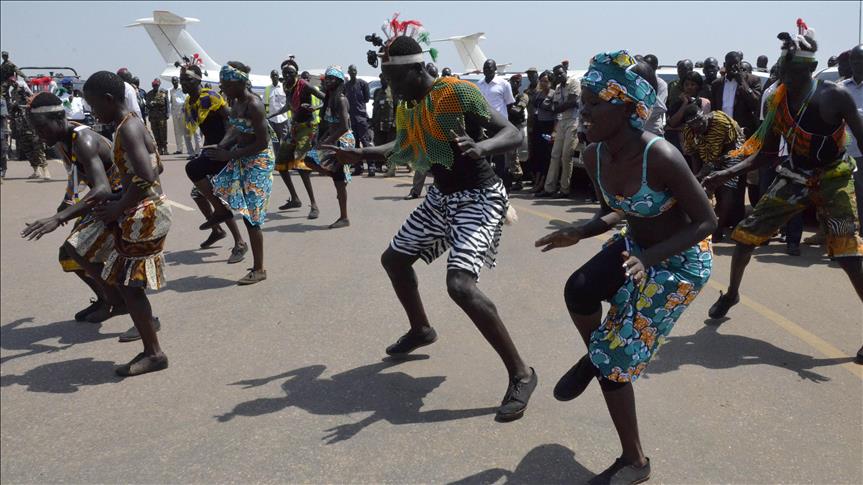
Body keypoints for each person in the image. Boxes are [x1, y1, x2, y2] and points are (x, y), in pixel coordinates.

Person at [331, 29, 537, 422]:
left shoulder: (455, 92)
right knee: (394, 260)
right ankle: (421, 329)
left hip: (479, 196)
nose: (389, 89)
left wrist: (483, 147)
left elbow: (511, 132)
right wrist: (359, 154)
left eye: (392, 81)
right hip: (442, 198)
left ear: (412, 72)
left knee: (460, 286)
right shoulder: (409, 105)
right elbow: (403, 145)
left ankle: (522, 374)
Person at [535, 51, 716, 484]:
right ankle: (599, 355)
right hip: (635, 245)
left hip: (680, 262)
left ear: (626, 109)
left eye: (596, 103)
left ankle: (635, 461)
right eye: (585, 102)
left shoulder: (662, 156)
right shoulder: (595, 155)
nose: (585, 111)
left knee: (616, 368)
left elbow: (709, 221)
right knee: (579, 288)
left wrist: (649, 259)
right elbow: (619, 211)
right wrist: (580, 231)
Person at [704, 23, 863, 364]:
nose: (782, 75)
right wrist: (725, 173)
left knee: (849, 256)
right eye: (781, 69)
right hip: (794, 176)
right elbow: (766, 154)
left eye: (789, 70)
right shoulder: (776, 100)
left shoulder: (835, 96)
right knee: (745, 237)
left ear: (807, 69)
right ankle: (731, 294)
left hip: (834, 178)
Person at [82, 70, 172, 376]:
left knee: (129, 285)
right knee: (125, 282)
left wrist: (119, 204)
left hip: (144, 214)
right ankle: (152, 349)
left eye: (93, 105)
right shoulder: (131, 122)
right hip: (143, 209)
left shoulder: (128, 128)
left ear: (108, 100)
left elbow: (147, 176)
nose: (93, 112)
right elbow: (152, 168)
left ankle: (154, 353)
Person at [20, 92, 129, 326]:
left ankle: (127, 306)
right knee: (69, 254)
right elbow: (76, 174)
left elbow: (100, 188)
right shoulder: (61, 140)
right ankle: (107, 298)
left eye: (41, 128)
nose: (39, 135)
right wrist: (68, 202)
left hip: (122, 201)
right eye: (35, 130)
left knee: (82, 250)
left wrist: (58, 218)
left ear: (60, 119)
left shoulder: (83, 140)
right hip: (104, 201)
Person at [203, 62, 274, 284]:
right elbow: (234, 129)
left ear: (238, 83)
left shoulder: (254, 105)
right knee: (210, 186)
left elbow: (262, 143)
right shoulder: (236, 102)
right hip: (241, 157)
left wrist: (230, 155)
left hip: (258, 161)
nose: (223, 89)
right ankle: (223, 212)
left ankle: (259, 269)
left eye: (225, 84)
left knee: (252, 217)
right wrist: (222, 146)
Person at [180, 63, 248, 263]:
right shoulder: (190, 102)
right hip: (211, 149)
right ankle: (217, 229)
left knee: (214, 193)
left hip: (224, 151)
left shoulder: (211, 97)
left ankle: (240, 242)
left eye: (188, 79)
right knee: (198, 193)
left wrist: (225, 148)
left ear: (199, 80)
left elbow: (232, 123)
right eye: (182, 79)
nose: (183, 83)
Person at [267, 58, 324, 218]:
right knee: (281, 163)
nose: (286, 75)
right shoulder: (286, 86)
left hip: (307, 128)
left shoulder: (304, 85)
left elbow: (325, 98)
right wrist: (274, 114)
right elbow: (289, 105)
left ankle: (314, 205)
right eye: (284, 73)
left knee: (300, 165)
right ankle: (295, 198)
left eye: (290, 72)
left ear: (296, 74)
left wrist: (316, 107)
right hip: (294, 127)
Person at [680, 104, 745, 241]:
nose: (698, 126)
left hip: (732, 153)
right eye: (693, 125)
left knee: (727, 189)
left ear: (704, 115)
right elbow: (694, 155)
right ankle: (704, 222)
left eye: (700, 122)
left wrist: (714, 166)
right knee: (701, 188)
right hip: (708, 156)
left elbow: (731, 149)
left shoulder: (721, 122)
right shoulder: (689, 131)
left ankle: (718, 228)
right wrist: (697, 176)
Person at [304, 66, 355, 228]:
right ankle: (338, 177)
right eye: (327, 78)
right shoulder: (330, 98)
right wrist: (322, 140)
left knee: (337, 179)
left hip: (342, 140)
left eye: (331, 79)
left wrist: (328, 142)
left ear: (339, 82)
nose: (328, 81)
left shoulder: (340, 99)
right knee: (310, 160)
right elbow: (331, 125)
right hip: (333, 138)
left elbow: (344, 126)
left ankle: (344, 217)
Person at [537, 64, 580, 198]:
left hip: (573, 120)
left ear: (565, 72)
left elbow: (572, 102)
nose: (559, 76)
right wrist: (559, 107)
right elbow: (555, 107)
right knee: (555, 154)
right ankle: (549, 188)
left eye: (561, 73)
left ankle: (564, 189)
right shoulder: (557, 87)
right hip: (562, 121)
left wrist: (558, 107)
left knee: (566, 156)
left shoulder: (574, 82)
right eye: (557, 74)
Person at [476, 59, 516, 189]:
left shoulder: (503, 84)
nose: (487, 70)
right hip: (484, 126)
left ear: (495, 69)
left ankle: (502, 187)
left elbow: (509, 104)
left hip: (499, 126)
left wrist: (503, 121)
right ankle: (487, 187)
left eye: (490, 68)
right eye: (485, 68)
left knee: (500, 159)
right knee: (485, 158)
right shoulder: (479, 84)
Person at [709, 51, 763, 138]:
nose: (732, 68)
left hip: (743, 133)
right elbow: (714, 110)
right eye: (730, 65)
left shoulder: (752, 80)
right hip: (722, 133)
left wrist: (742, 82)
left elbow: (756, 104)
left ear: (740, 65)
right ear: (724, 64)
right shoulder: (716, 84)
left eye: (735, 65)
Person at [840, 44, 863, 237]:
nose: (858, 64)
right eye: (854, 60)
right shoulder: (841, 89)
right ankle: (845, 241)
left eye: (861, 60)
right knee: (845, 199)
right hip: (845, 154)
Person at [9, 78, 50, 179]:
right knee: (27, 149)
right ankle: (36, 171)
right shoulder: (13, 92)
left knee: (38, 148)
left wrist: (23, 105)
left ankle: (46, 171)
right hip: (21, 124)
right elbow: (12, 106)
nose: (13, 84)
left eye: (14, 82)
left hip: (32, 126)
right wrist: (14, 107)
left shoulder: (27, 92)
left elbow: (33, 104)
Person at [344, 64, 372, 176]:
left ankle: (371, 167)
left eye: (354, 70)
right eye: (351, 70)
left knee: (366, 142)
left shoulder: (363, 84)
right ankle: (358, 167)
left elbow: (366, 99)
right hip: (351, 118)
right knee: (354, 144)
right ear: (348, 72)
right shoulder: (346, 86)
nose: (353, 72)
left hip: (361, 117)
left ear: (357, 71)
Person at [530, 70, 556, 192]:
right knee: (538, 155)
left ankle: (543, 183)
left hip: (549, 126)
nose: (543, 83)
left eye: (546, 81)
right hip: (539, 125)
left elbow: (556, 114)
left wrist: (554, 131)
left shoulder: (553, 94)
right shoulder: (538, 94)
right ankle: (537, 181)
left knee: (547, 156)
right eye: (541, 81)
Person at [373, 72, 399, 176]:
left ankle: (391, 168)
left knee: (390, 148)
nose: (381, 81)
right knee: (379, 145)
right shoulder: (377, 92)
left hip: (390, 125)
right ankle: (378, 166)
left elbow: (397, 108)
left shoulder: (393, 92)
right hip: (379, 124)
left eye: (383, 79)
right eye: (380, 79)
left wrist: (395, 123)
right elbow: (375, 107)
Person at [506, 74, 529, 190]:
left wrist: (507, 108)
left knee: (513, 153)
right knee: (507, 154)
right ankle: (510, 178)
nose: (515, 84)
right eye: (513, 81)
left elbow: (517, 110)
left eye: (517, 82)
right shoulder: (508, 96)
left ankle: (518, 178)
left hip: (516, 127)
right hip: (507, 126)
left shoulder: (522, 96)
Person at [169, 76, 199, 155]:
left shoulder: (182, 89)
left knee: (187, 132)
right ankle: (179, 148)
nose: (174, 82)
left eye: (175, 80)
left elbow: (186, 99)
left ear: (177, 81)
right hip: (175, 113)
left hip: (183, 112)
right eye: (173, 81)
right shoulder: (171, 91)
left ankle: (195, 150)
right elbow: (171, 101)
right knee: (177, 131)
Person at [641, 55, 668, 137]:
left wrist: (640, 116)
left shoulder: (661, 84)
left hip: (653, 131)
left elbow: (660, 108)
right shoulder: (639, 82)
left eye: (649, 66)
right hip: (638, 131)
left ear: (655, 67)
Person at [264, 69, 288, 156]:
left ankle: (286, 159)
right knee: (275, 141)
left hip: (283, 119)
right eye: (273, 75)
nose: (274, 77)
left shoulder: (284, 87)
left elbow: (288, 103)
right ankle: (277, 160)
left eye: (276, 75)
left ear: (278, 77)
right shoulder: (267, 89)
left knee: (285, 140)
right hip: (271, 120)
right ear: (270, 77)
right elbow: (265, 105)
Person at [146, 78, 169, 155]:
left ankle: (165, 147)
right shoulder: (149, 94)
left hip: (162, 116)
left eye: (156, 85)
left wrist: (167, 113)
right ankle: (159, 148)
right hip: (153, 117)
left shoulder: (163, 92)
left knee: (163, 132)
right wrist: (151, 104)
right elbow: (148, 104)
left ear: (159, 84)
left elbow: (166, 103)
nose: (155, 86)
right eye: (153, 85)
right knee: (156, 132)